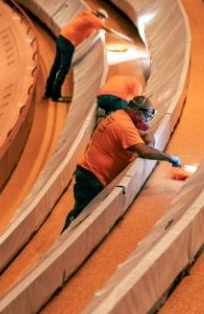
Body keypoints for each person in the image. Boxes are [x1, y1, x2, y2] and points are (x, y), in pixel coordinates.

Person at [63, 96, 181, 231]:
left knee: (80, 213)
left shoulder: (120, 115)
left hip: (90, 173)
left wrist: (146, 132)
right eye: (146, 115)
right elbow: (145, 151)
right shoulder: (125, 127)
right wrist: (169, 158)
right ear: (137, 113)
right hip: (93, 178)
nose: (147, 119)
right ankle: (62, 246)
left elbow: (147, 139)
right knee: (80, 219)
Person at [45, 8, 126, 102]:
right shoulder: (92, 18)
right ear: (100, 16)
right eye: (103, 19)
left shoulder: (87, 16)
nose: (103, 21)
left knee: (56, 66)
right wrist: (121, 36)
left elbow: (90, 31)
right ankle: (55, 95)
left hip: (62, 38)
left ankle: (48, 91)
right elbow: (105, 28)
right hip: (68, 42)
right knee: (64, 68)